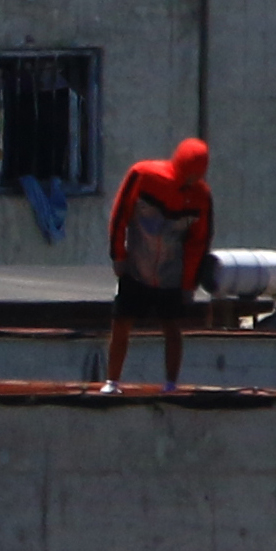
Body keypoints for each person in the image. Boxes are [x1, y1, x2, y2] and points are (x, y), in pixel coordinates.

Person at [102, 137, 215, 391]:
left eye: (197, 177)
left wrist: (189, 284)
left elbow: (199, 242)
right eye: (188, 175)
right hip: (136, 266)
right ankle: (112, 382)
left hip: (171, 274)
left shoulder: (201, 197)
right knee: (121, 322)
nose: (191, 182)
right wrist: (118, 255)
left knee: (172, 327)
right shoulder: (143, 174)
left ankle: (171, 384)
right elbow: (120, 214)